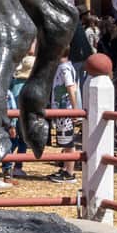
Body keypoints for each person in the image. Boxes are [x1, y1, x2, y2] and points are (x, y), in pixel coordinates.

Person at [49, 48, 79, 182]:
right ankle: (66, 168)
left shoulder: (64, 68)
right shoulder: (65, 67)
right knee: (65, 140)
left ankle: (70, 172)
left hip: (65, 109)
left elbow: (70, 87)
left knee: (68, 142)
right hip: (62, 109)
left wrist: (74, 109)